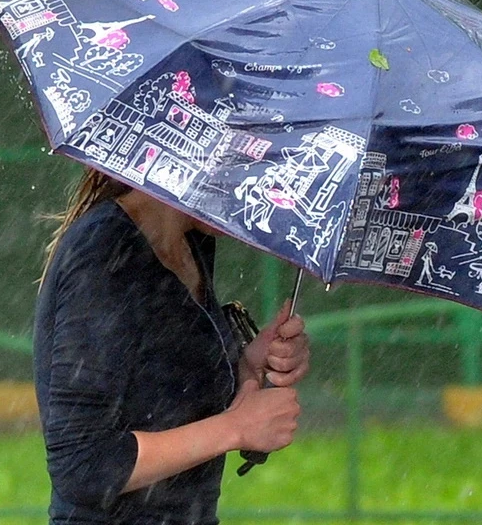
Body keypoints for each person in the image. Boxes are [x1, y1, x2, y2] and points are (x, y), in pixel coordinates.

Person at [34, 168, 311, 524]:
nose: (258, 185)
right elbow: (83, 465)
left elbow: (163, 397)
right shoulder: (104, 248)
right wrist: (236, 427)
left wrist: (248, 369)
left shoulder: (192, 241)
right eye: (249, 165)